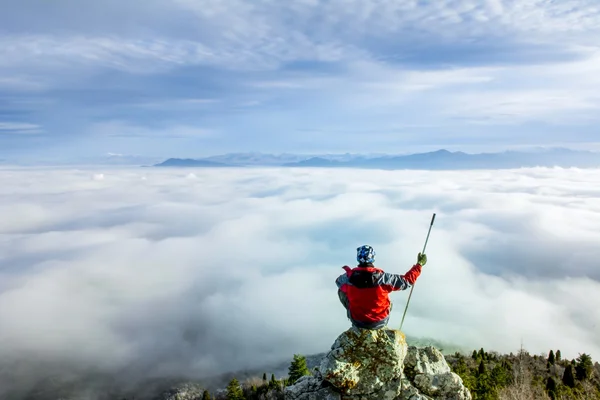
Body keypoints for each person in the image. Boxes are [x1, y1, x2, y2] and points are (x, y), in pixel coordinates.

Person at [336, 244, 427, 330]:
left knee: (341, 291)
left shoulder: (348, 278)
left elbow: (338, 282)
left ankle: (356, 312)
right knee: (387, 299)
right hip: (380, 322)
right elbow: (407, 281)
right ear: (373, 258)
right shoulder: (383, 278)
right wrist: (419, 265)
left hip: (358, 321)